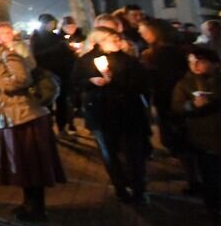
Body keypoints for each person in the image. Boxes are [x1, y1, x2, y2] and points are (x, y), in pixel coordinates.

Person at [0, 23, 66, 222]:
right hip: (11, 115)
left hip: (25, 115)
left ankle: (37, 207)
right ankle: (29, 203)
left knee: (32, 162)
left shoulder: (8, 55)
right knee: (24, 164)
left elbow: (22, 79)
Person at [171, 47, 221, 219]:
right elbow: (178, 107)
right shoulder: (185, 84)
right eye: (191, 62)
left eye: (200, 61)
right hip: (204, 136)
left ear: (215, 64)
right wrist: (193, 105)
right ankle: (215, 208)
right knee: (210, 174)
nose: (195, 66)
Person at [71, 27, 151, 205]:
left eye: (118, 39)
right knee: (110, 152)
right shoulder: (86, 61)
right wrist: (91, 81)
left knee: (133, 153)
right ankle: (120, 187)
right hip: (101, 112)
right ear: (100, 41)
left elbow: (141, 83)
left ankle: (139, 189)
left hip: (128, 112)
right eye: (113, 39)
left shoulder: (128, 60)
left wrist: (115, 80)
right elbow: (76, 82)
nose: (118, 42)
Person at [138, 19, 192, 191]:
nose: (141, 34)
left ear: (155, 32)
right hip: (172, 100)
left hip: (172, 100)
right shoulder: (169, 51)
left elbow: (162, 79)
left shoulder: (161, 54)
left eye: (143, 31)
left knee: (182, 140)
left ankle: (195, 179)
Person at [30, 13, 77, 138]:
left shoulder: (56, 36)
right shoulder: (36, 38)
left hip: (62, 72)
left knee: (62, 102)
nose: (52, 25)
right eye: (50, 23)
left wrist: (70, 50)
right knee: (48, 102)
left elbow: (64, 53)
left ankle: (62, 128)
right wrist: (57, 48)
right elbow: (37, 55)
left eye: (53, 23)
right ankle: (48, 130)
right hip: (47, 73)